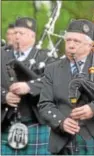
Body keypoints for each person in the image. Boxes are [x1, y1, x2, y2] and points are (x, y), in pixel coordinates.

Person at [37, 19, 94, 155]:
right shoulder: (52, 69)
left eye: (76, 41)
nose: (71, 45)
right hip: (65, 143)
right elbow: (45, 104)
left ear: (90, 45)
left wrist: (93, 109)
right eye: (68, 40)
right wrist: (61, 121)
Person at [1, 17, 56, 155]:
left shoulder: (46, 58)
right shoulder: (1, 55)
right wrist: (4, 95)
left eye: (22, 33)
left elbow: (54, 83)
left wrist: (30, 87)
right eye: (15, 33)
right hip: (4, 124)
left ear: (32, 37)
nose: (17, 36)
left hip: (35, 123)